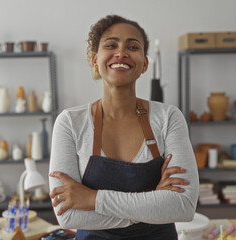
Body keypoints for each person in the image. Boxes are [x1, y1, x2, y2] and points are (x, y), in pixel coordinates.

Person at [48, 14, 198, 239]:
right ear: (94, 60)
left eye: (133, 46)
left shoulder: (168, 118)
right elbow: (68, 215)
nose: (121, 53)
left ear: (145, 63)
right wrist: (153, 208)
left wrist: (92, 199)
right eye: (111, 45)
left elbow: (184, 206)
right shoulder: (70, 123)